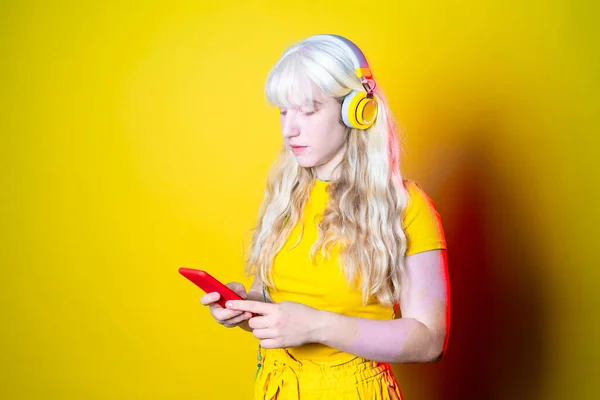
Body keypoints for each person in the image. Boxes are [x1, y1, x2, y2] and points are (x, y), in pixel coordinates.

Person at [200, 33, 450, 399]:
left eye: (308, 110)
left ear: (355, 110)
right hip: (277, 386)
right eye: (284, 111)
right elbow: (288, 304)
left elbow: (430, 341)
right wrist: (247, 308)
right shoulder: (285, 194)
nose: (289, 129)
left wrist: (316, 326)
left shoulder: (406, 205)